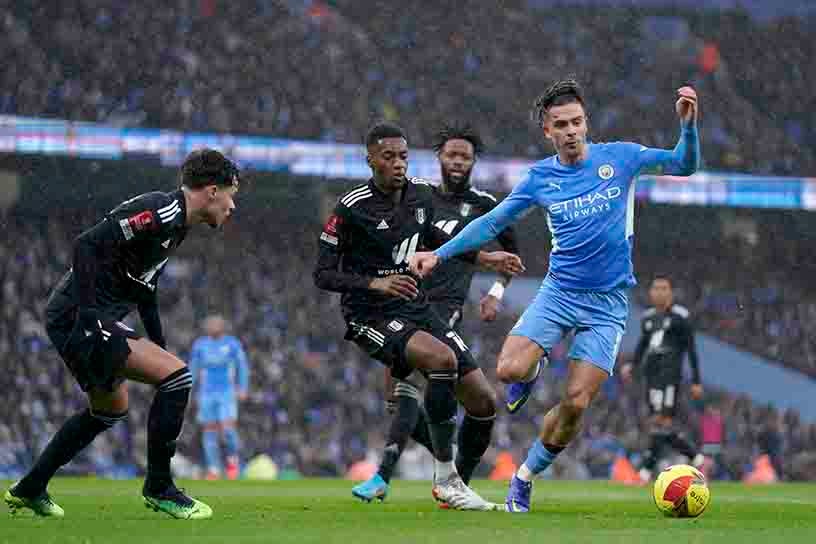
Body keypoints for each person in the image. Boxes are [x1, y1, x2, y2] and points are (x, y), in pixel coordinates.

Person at [410, 80, 700, 512]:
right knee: (508, 370)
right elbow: (491, 224)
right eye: (561, 125)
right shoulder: (540, 178)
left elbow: (683, 165)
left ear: (587, 123)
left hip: (608, 304)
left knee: (576, 404)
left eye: (577, 122)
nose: (571, 131)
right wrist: (440, 253)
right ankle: (534, 367)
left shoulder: (620, 157)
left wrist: (688, 127)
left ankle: (524, 476)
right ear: (548, 131)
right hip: (560, 292)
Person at [5, 149, 240, 519]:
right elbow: (85, 245)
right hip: (79, 314)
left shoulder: (177, 227)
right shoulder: (160, 211)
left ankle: (30, 487)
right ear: (212, 191)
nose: (232, 206)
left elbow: (146, 290)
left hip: (86, 315)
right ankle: (160, 487)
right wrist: (88, 317)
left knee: (109, 410)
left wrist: (158, 344)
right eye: (231, 195)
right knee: (177, 378)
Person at [314, 122, 523, 510]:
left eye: (403, 156)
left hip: (415, 306)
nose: (397, 164)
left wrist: (484, 257)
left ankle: (451, 474)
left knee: (483, 401)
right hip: (370, 314)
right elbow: (323, 274)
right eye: (388, 157)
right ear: (371, 160)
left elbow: (436, 241)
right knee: (438, 362)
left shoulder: (420, 195)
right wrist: (378, 285)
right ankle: (446, 479)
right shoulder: (351, 208)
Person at [621, 276, 704, 480]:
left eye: (663, 288)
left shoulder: (681, 316)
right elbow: (642, 345)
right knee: (657, 423)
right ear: (650, 293)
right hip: (651, 376)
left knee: (662, 421)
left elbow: (691, 349)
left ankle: (646, 469)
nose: (659, 292)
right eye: (655, 288)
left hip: (670, 376)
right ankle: (694, 456)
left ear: (671, 292)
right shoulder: (648, 318)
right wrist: (633, 365)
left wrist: (696, 380)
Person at [189, 315, 250, 480]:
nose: (212, 327)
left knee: (228, 429)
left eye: (215, 324)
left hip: (226, 393)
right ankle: (213, 469)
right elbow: (193, 369)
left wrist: (243, 387)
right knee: (209, 432)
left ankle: (232, 460)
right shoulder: (200, 345)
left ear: (222, 326)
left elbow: (242, 366)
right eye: (210, 324)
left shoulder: (232, 344)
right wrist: (188, 391)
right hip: (206, 394)